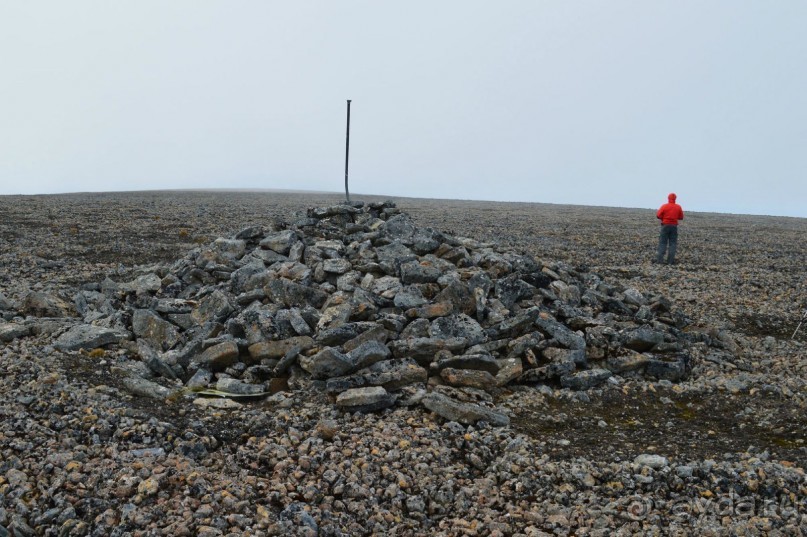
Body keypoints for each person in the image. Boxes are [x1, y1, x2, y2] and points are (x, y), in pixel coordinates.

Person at [655, 193, 684, 264]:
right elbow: (681, 217)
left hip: (665, 225)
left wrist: (663, 218)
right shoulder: (678, 207)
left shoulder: (664, 206)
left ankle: (660, 261)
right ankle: (670, 262)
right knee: (673, 244)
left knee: (662, 243)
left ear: (668, 198)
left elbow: (658, 215)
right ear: (675, 199)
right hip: (674, 226)